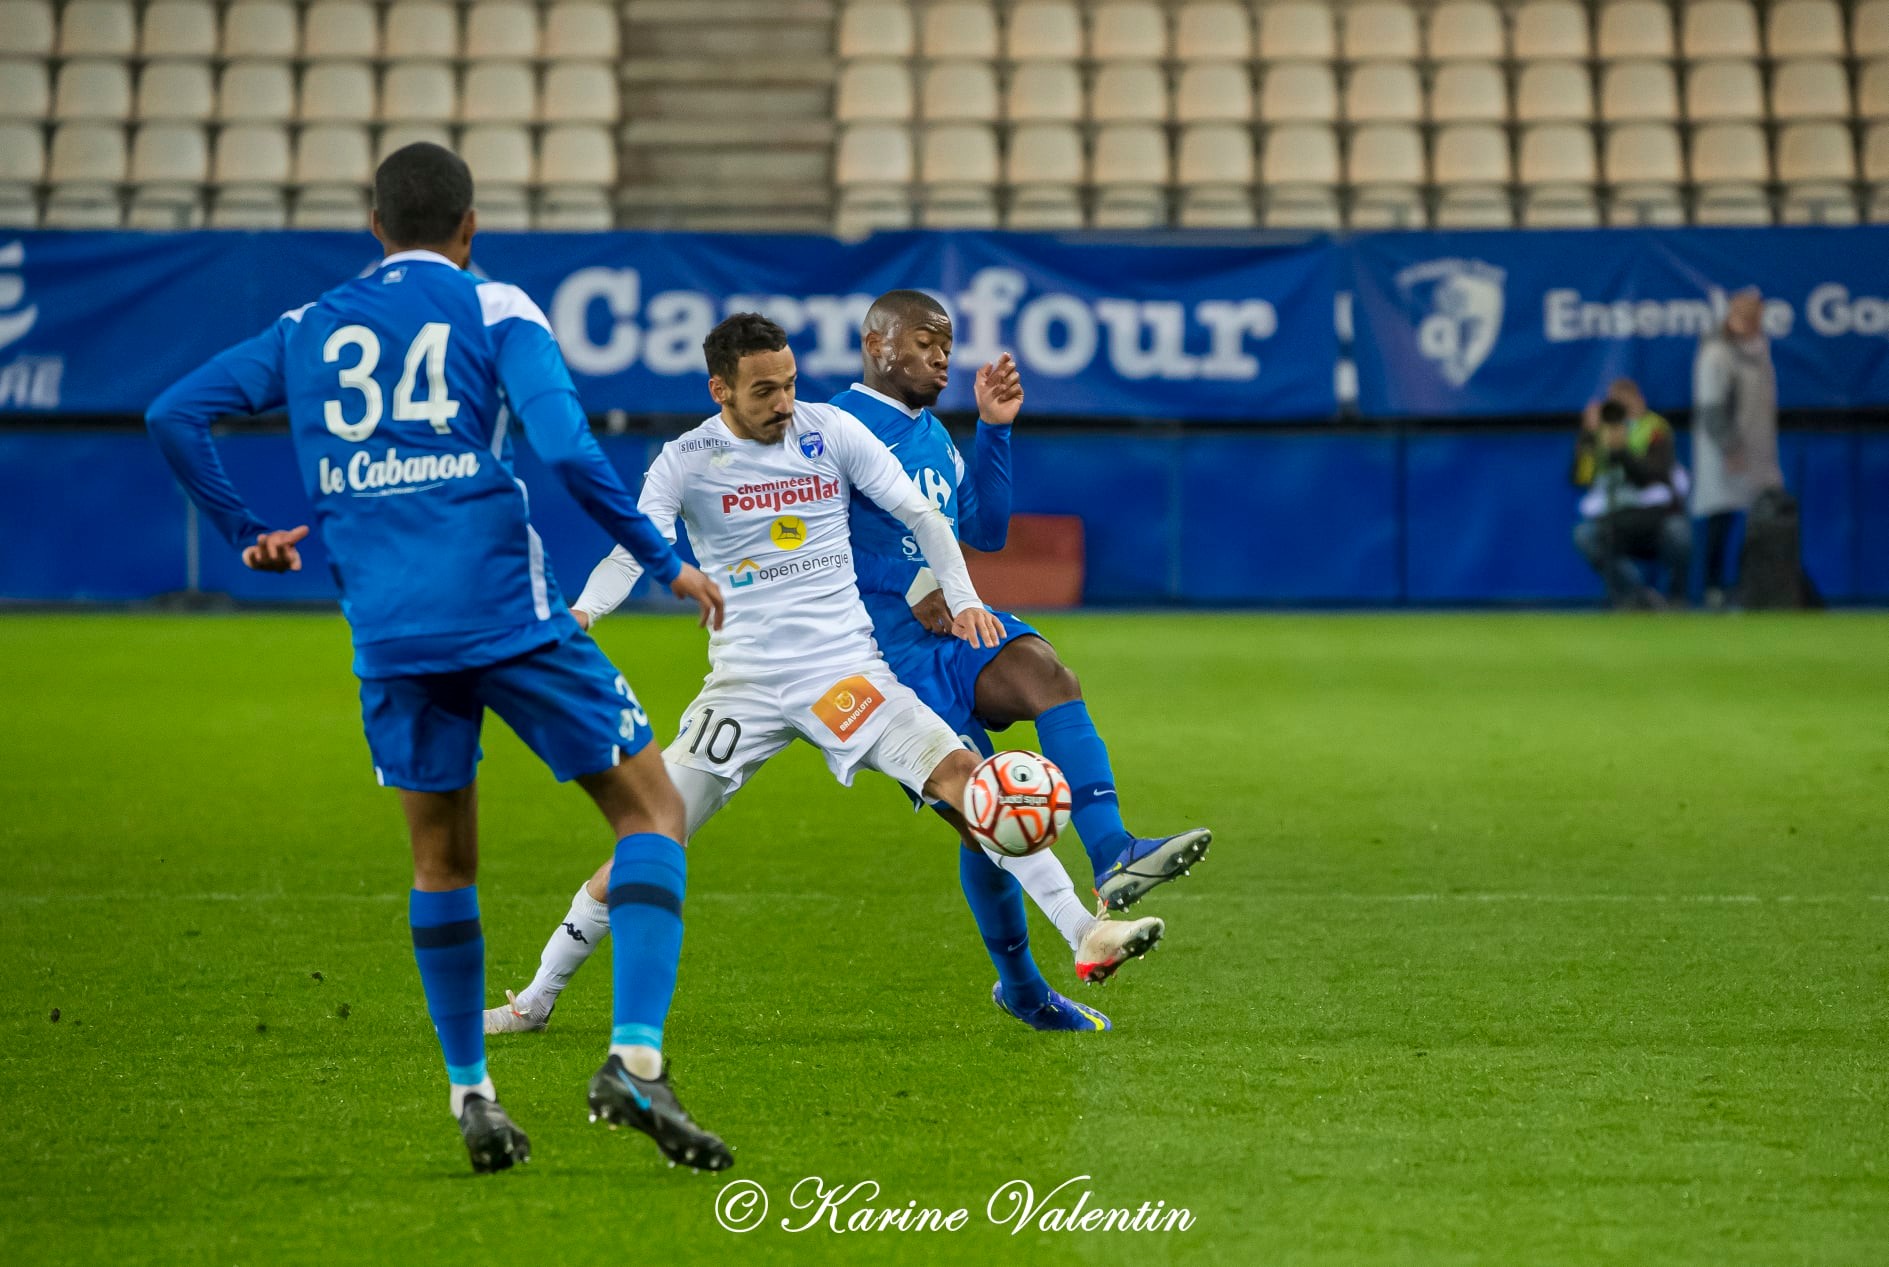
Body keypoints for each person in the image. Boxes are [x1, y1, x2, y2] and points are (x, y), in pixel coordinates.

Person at [143, 142, 732, 1176]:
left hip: (390, 632)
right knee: (651, 812)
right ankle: (634, 1056)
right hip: (509, 615)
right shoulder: (495, 308)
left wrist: (245, 528)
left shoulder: (308, 327)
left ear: (374, 228)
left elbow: (174, 413)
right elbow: (562, 449)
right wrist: (662, 561)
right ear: (469, 227)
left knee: (441, 861)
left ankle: (473, 1093)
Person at [487, 312, 1141, 1039]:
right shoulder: (686, 458)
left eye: (791, 383)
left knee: (967, 780)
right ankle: (535, 998)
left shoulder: (831, 432)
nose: (784, 403)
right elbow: (633, 550)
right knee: (650, 838)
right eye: (764, 390)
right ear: (720, 390)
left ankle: (1086, 930)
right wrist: (583, 611)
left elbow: (923, 515)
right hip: (743, 686)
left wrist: (961, 597)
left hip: (843, 676)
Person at [1692, 289, 1784, 607]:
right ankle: (1713, 588)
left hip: (1759, 451)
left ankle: (1754, 586)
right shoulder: (1717, 354)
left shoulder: (1759, 350)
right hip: (1728, 455)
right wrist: (1730, 448)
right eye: (1747, 317)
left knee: (1762, 521)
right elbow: (1713, 408)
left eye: (1757, 317)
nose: (1754, 323)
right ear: (1733, 317)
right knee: (1722, 519)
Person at [1571, 378, 1692, 609]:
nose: (1621, 411)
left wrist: (1623, 450)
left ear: (1639, 401)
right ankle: (1637, 595)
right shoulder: (1600, 432)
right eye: (1614, 404)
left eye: (1625, 404)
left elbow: (1655, 474)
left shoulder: (1655, 428)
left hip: (1653, 518)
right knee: (1585, 536)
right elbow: (1581, 478)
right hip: (1617, 518)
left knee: (1679, 534)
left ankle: (1677, 601)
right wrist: (1587, 437)